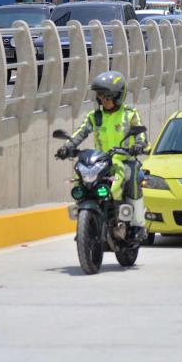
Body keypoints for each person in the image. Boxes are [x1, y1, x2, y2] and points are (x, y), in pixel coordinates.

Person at [56, 71, 150, 240]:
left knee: (133, 179)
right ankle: (86, 224)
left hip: (124, 160)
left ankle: (138, 225)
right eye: (100, 96)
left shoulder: (129, 114)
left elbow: (140, 134)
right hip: (102, 162)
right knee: (83, 182)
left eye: (108, 96)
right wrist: (67, 147)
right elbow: (80, 133)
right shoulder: (94, 117)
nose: (104, 100)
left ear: (118, 96)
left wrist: (138, 145)